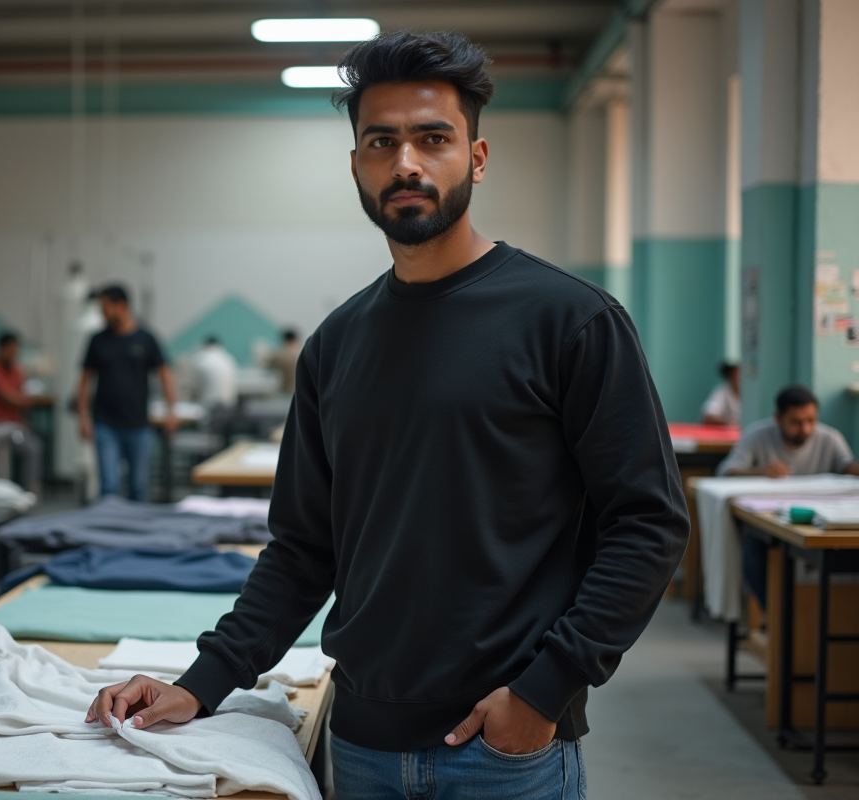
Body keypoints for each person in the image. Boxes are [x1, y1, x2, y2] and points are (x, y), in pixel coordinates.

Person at [85, 31, 687, 800]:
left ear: (476, 156)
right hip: (360, 743)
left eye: (434, 139)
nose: (407, 163)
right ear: (357, 166)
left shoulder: (569, 321)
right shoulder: (336, 345)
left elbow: (648, 523)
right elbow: (304, 549)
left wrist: (545, 692)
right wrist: (203, 682)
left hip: (505, 752)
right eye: (382, 142)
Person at [718, 384, 859, 609]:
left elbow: (846, 465)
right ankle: (777, 620)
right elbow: (726, 471)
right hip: (771, 525)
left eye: (811, 420)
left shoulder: (829, 438)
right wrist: (760, 471)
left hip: (815, 525)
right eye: (796, 422)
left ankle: (811, 623)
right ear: (778, 418)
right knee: (753, 552)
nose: (805, 428)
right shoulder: (757, 435)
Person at [76, 285, 178, 502]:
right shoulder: (97, 340)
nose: (101, 312)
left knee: (139, 487)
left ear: (121, 306)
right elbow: (84, 381)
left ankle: (137, 533)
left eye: (105, 307)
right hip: (105, 424)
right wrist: (83, 417)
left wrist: (171, 411)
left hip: (138, 425)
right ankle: (108, 532)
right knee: (109, 485)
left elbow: (165, 375)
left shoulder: (146, 338)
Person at [0, 331, 43, 495]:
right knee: (1, 451)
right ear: (1, 349)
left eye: (16, 352)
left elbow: (21, 398)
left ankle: (29, 492)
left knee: (34, 446)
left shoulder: (16, 370)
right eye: (11, 351)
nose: (14, 355)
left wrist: (23, 401)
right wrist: (23, 399)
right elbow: (11, 398)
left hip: (14, 426)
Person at [189, 336, 238, 409]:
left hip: (206, 407)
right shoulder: (228, 359)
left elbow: (194, 388)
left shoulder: (199, 360)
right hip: (228, 408)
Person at [701, 362, 741, 426]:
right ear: (731, 376)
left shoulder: (752, 395)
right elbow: (708, 417)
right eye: (739, 374)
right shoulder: (721, 392)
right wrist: (732, 424)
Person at [265, 329, 302, 394]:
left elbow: (267, 365)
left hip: (285, 391)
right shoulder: (301, 354)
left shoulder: (279, 355)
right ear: (295, 340)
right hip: (298, 392)